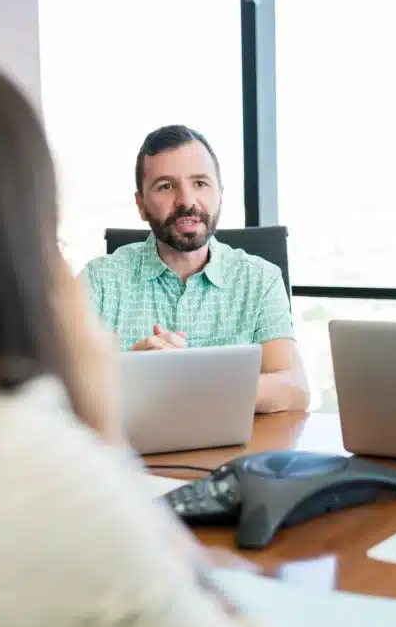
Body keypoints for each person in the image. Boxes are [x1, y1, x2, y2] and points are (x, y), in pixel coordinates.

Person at [0, 25, 272, 627]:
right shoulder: (27, 473)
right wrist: (102, 438)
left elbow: (293, 383)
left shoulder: (254, 276)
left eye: (201, 183)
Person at [81, 125, 309, 415]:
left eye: (200, 183)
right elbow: (59, 389)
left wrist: (192, 386)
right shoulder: (98, 281)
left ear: (220, 195)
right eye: (166, 186)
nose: (186, 201)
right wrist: (131, 375)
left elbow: (295, 390)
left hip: (238, 455)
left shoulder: (260, 279)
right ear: (141, 205)